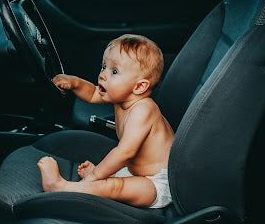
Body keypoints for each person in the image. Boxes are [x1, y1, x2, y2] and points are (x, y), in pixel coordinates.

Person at [37, 34, 174, 208]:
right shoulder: (122, 97)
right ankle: (94, 180)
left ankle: (60, 187)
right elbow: (94, 93)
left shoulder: (143, 110)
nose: (103, 75)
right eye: (103, 67)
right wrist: (75, 83)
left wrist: (95, 176)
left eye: (114, 71)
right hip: (134, 172)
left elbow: (125, 153)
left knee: (114, 186)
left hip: (157, 183)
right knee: (113, 177)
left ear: (139, 87)